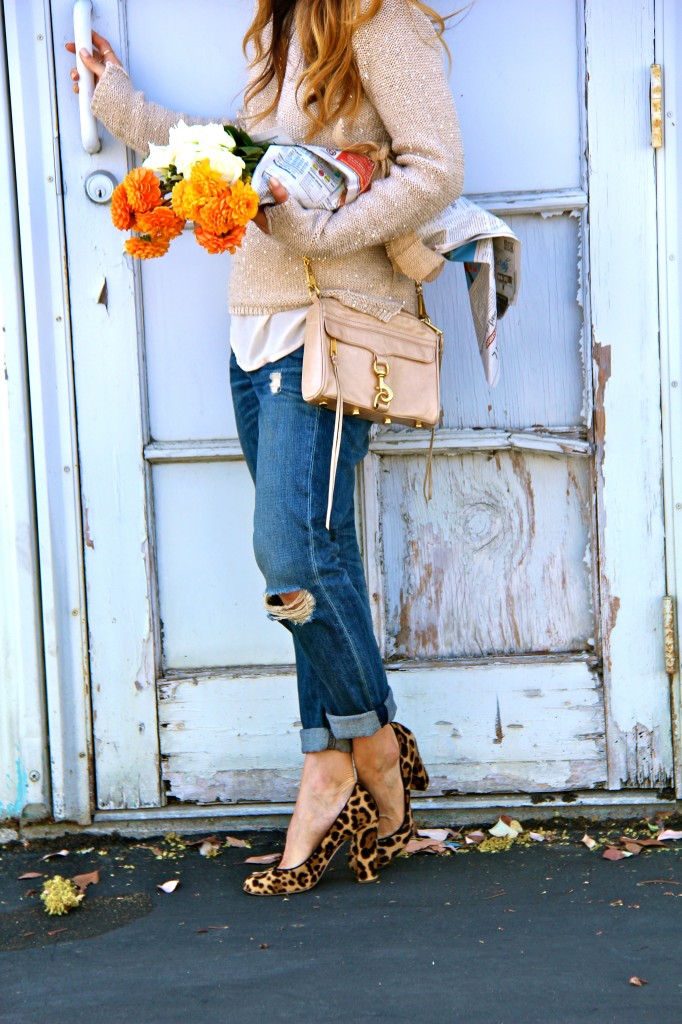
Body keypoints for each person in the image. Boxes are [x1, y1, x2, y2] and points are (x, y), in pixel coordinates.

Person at [66, 0, 464, 896]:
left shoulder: (382, 26)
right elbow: (238, 155)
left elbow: (437, 169)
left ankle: (353, 762)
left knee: (287, 552)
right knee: (317, 557)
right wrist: (122, 105)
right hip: (256, 331)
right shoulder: (286, 33)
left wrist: (321, 230)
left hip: (329, 331)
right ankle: (352, 752)